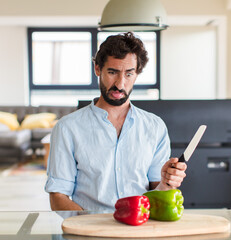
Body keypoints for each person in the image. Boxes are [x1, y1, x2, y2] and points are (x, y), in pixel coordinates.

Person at [45, 32, 187, 212]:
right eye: (113, 72)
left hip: (140, 229)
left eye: (129, 74)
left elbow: (156, 190)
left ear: (137, 74)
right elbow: (58, 197)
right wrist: (94, 228)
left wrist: (167, 182)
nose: (120, 84)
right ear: (97, 69)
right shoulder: (67, 128)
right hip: (89, 234)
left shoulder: (155, 127)